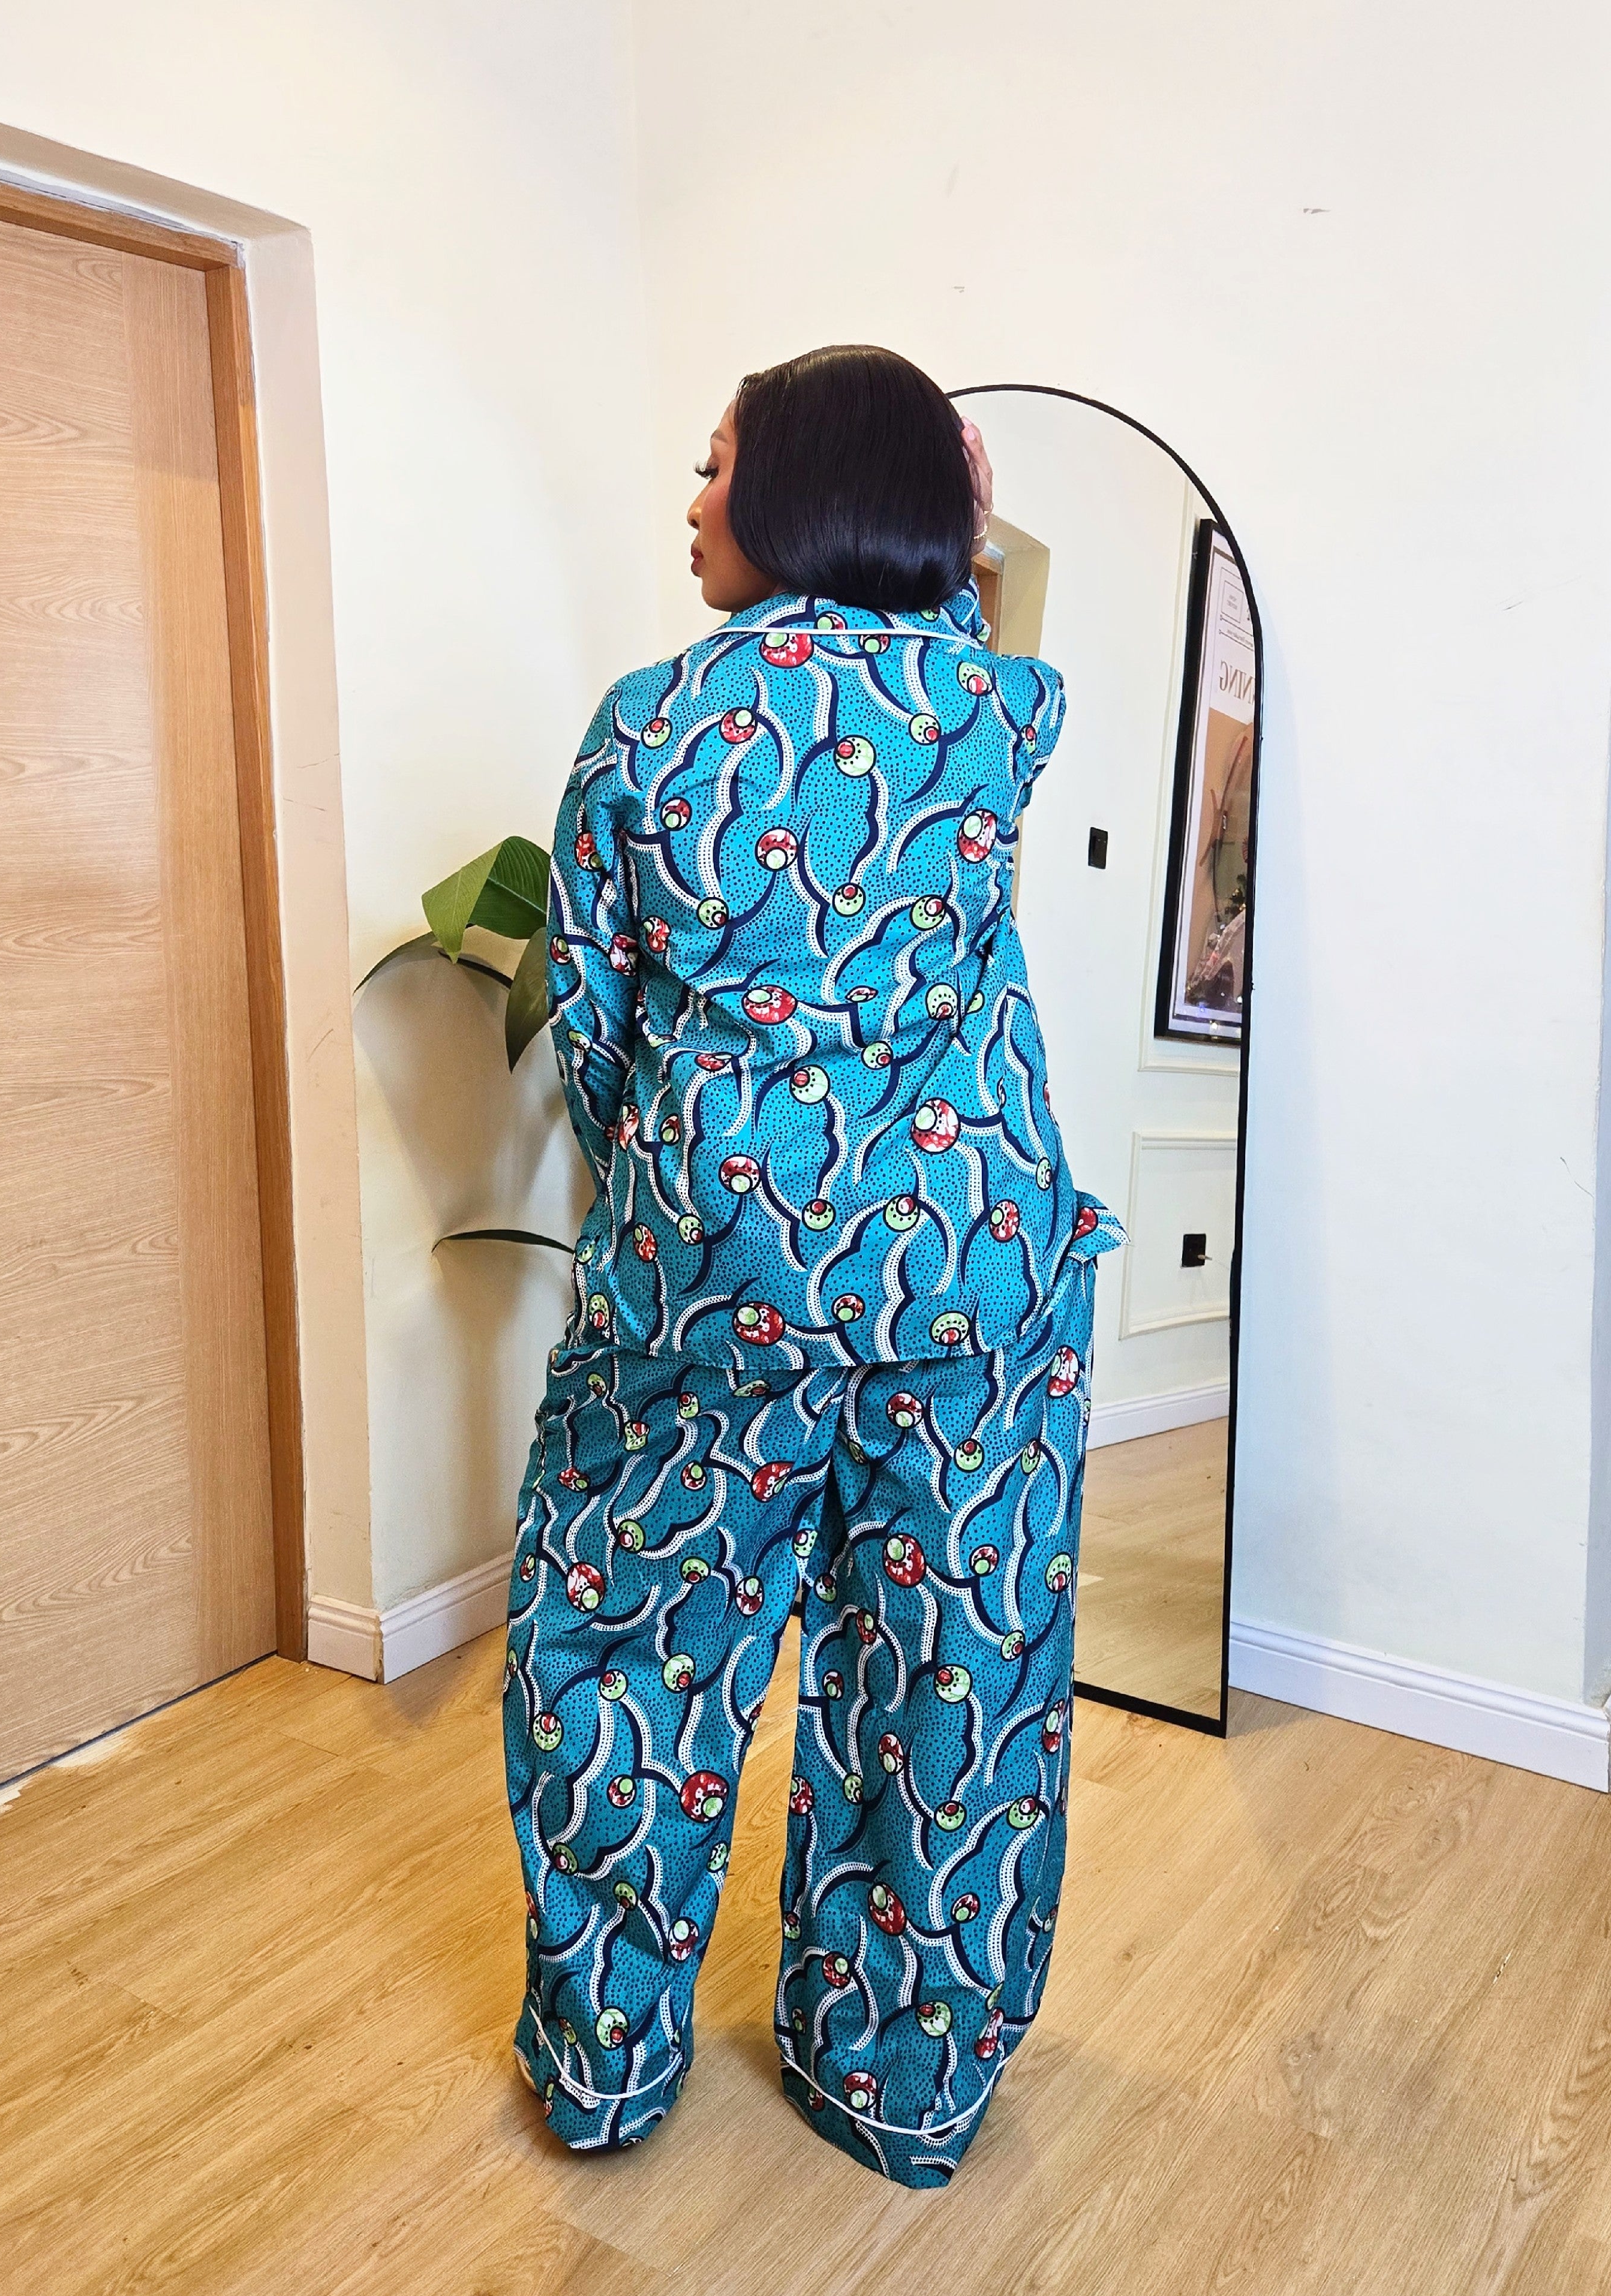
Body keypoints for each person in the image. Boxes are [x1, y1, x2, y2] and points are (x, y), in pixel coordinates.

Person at [501, 344, 1122, 2187]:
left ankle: (605, 2067)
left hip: (719, 1269)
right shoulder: (990, 707)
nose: (687, 500)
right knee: (953, 1669)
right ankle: (899, 2085)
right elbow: (964, 632)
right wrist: (954, 528)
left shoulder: (652, 720)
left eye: (714, 465)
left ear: (796, 490)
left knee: (630, 1646)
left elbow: (594, 1021)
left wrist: (694, 1208)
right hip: (976, 1274)